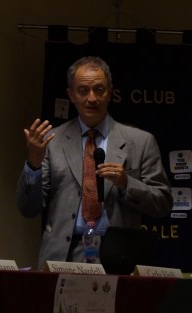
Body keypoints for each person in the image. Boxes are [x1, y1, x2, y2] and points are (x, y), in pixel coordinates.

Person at [16, 56, 173, 270]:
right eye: (83, 90)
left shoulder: (141, 142)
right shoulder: (52, 141)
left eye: (99, 90)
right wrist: (33, 164)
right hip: (63, 256)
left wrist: (126, 183)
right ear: (71, 95)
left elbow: (163, 203)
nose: (92, 98)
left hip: (119, 257)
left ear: (110, 92)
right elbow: (28, 208)